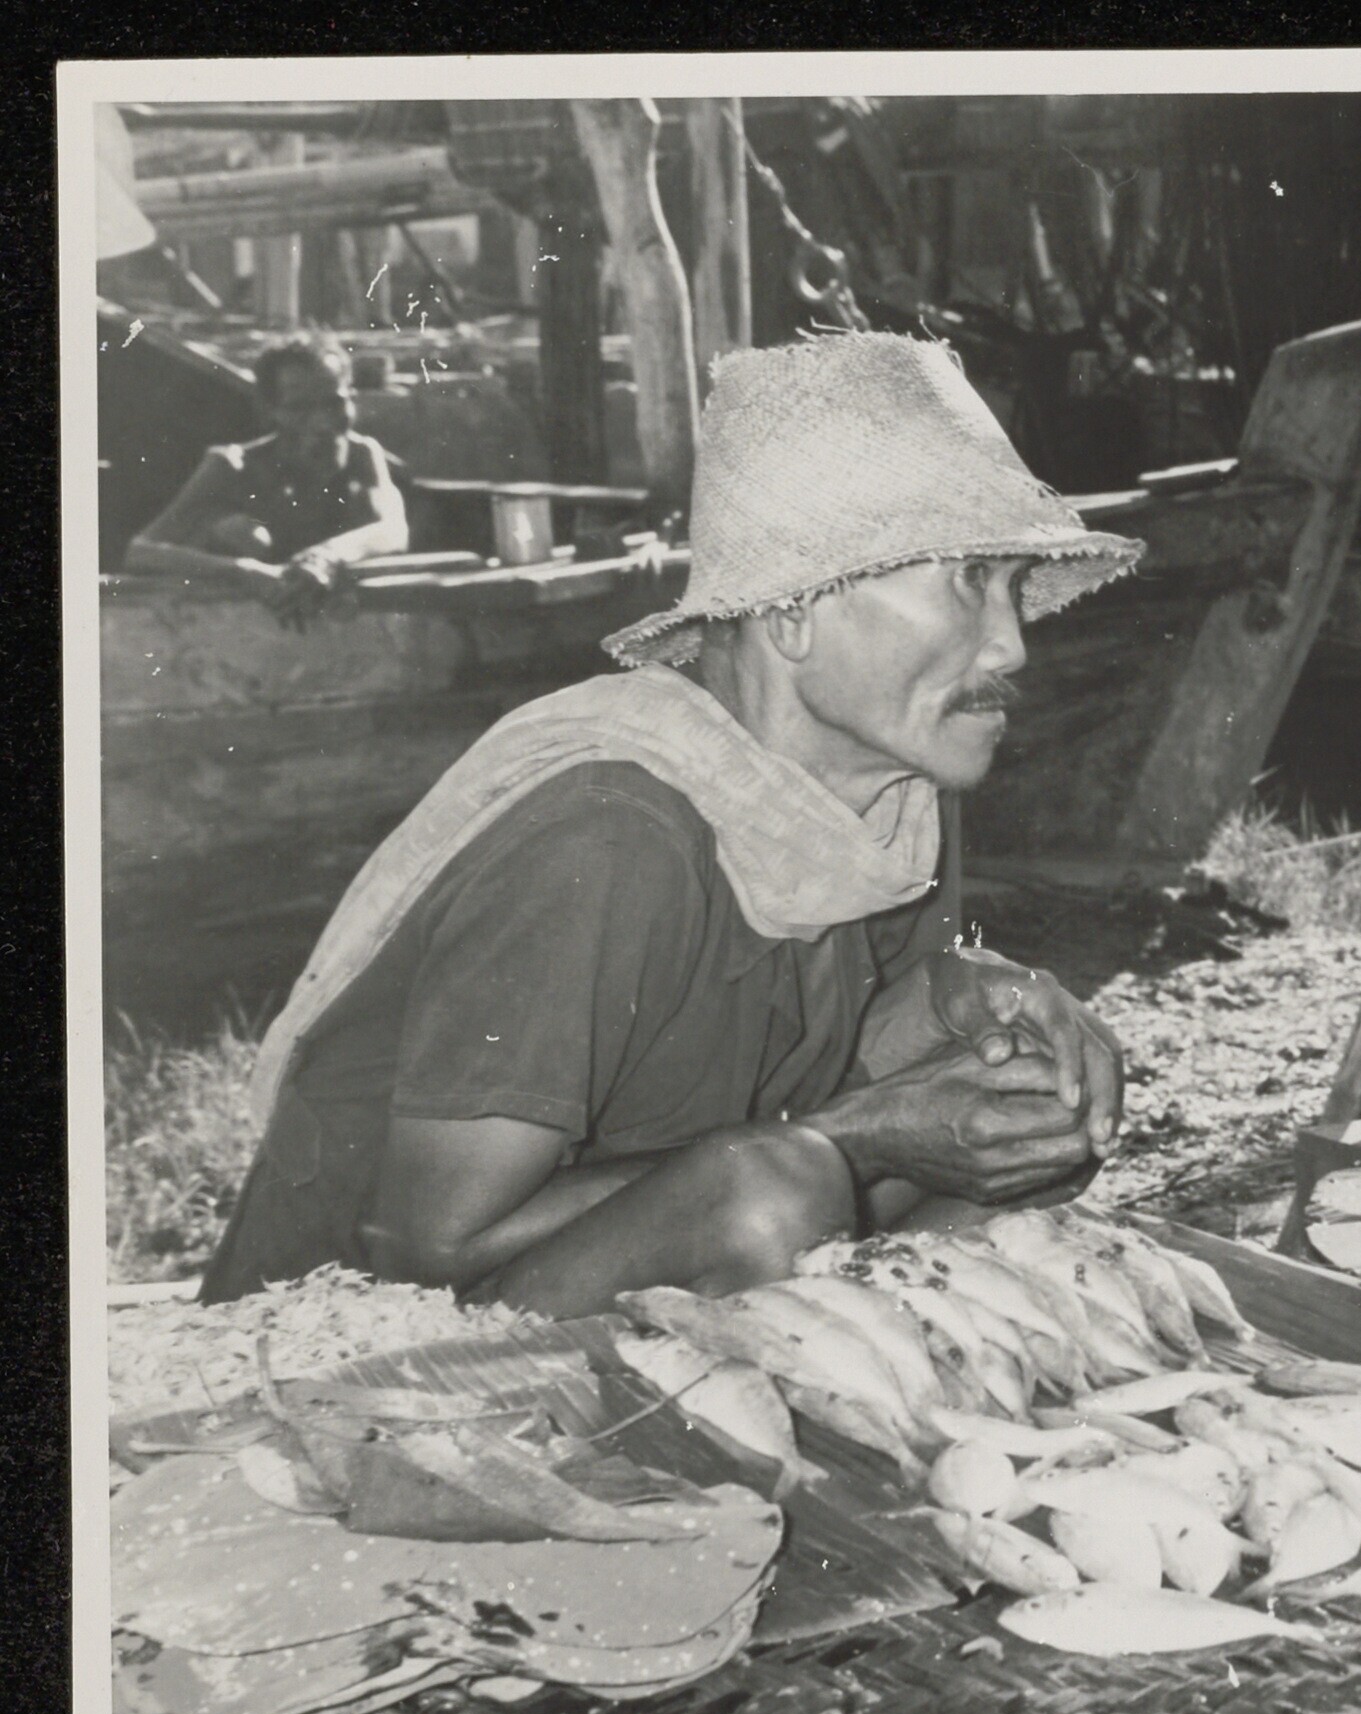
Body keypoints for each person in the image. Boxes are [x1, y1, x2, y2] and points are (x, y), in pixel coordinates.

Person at [199, 331, 1148, 1317]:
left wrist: (962, 999)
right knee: (769, 1197)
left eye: (1012, 587)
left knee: (1030, 1121)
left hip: (604, 1259)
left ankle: (879, 1379)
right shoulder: (606, 837)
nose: (1012, 644)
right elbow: (423, 1246)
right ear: (794, 612)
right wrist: (857, 1136)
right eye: (968, 581)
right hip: (349, 1337)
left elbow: (806, 1045)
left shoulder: (892, 802)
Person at [125, 334, 412, 622]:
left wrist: (326, 557)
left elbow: (393, 530)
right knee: (247, 535)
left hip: (345, 631)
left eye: (334, 403)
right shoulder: (231, 466)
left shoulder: (362, 455)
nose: (322, 422)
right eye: (300, 408)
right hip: (240, 627)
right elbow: (140, 552)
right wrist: (243, 572)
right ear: (269, 411)